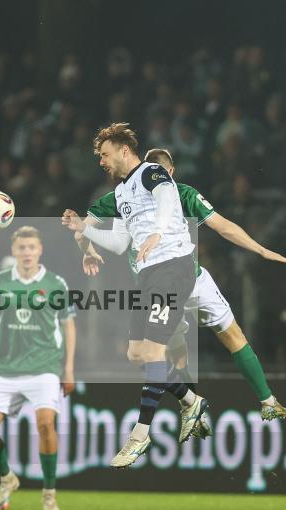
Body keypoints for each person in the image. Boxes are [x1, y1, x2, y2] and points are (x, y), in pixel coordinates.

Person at [71, 147, 286, 439]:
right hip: (189, 279)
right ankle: (266, 401)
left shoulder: (123, 195)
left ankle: (191, 406)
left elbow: (82, 228)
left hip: (160, 287)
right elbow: (222, 226)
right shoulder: (182, 193)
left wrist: (87, 249)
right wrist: (261, 249)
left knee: (165, 355)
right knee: (231, 336)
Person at [62, 123, 201, 469]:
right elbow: (121, 243)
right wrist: (85, 231)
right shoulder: (123, 192)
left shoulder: (151, 172)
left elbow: (168, 199)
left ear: (124, 151)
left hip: (173, 267)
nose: (101, 162)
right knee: (137, 353)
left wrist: (156, 232)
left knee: (154, 350)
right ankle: (190, 400)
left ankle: (140, 435)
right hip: (150, 275)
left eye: (105, 155)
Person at [0, 226, 76, 510]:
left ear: (40, 250)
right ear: (14, 251)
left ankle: (49, 495)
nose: (27, 253)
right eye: (22, 248)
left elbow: (68, 325)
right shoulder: (0, 282)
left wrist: (68, 368)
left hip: (44, 366)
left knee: (46, 423)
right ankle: (7, 477)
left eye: (32, 247)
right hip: (5, 368)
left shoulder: (56, 283)